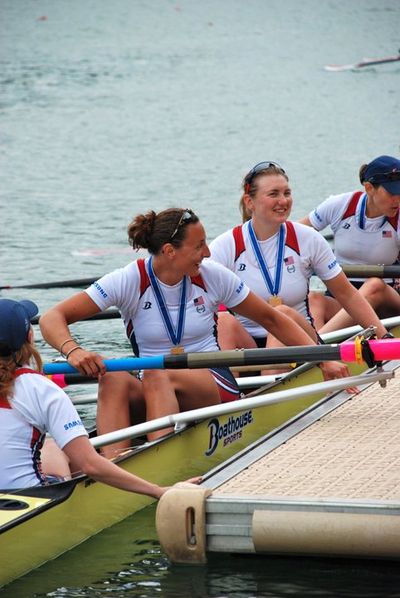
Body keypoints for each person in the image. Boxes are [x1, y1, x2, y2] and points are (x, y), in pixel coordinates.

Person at [40, 207, 336, 446]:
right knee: (113, 377)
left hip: (210, 381)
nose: (207, 253)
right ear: (170, 251)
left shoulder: (212, 276)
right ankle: (113, 465)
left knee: (157, 373)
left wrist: (324, 359)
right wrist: (72, 350)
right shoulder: (128, 280)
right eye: (199, 246)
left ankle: (153, 462)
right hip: (153, 383)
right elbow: (52, 317)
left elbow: (271, 319)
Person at [0, 297, 198, 494]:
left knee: (52, 445)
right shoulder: (41, 389)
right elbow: (89, 465)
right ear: (30, 337)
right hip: (28, 498)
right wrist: (158, 491)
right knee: (55, 449)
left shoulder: (36, 386)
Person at [209, 161, 390, 371]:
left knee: (281, 313)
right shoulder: (226, 245)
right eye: (274, 194)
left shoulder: (307, 239)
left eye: (287, 193)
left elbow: (347, 294)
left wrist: (382, 334)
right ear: (250, 202)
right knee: (222, 321)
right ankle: (230, 390)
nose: (283, 201)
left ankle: (267, 392)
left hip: (302, 340)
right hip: (249, 344)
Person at [299, 155, 400, 333]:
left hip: (388, 298)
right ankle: (323, 354)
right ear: (369, 188)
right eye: (392, 193)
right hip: (344, 297)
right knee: (314, 298)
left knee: (374, 285)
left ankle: (316, 346)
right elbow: (294, 233)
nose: (398, 200)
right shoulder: (340, 205)